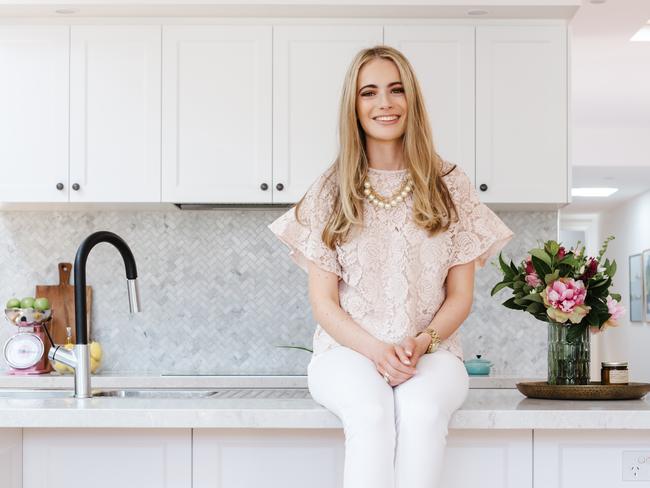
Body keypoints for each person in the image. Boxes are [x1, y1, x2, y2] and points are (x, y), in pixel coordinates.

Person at [268, 45, 514, 488]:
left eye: (396, 90)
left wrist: (421, 343)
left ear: (412, 100)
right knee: (370, 410)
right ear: (354, 106)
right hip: (344, 354)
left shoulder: (450, 184)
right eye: (369, 92)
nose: (384, 103)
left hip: (434, 352)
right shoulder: (330, 188)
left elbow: (460, 297)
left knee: (421, 411)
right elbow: (324, 304)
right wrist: (377, 351)